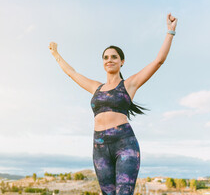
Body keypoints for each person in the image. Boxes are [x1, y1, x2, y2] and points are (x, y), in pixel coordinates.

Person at [48, 13, 178, 195]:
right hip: (99, 147)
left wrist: (170, 32)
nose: (109, 60)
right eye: (106, 57)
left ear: (121, 61)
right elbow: (72, 73)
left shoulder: (129, 84)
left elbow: (158, 61)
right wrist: (55, 54)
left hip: (124, 144)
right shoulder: (95, 87)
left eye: (114, 57)